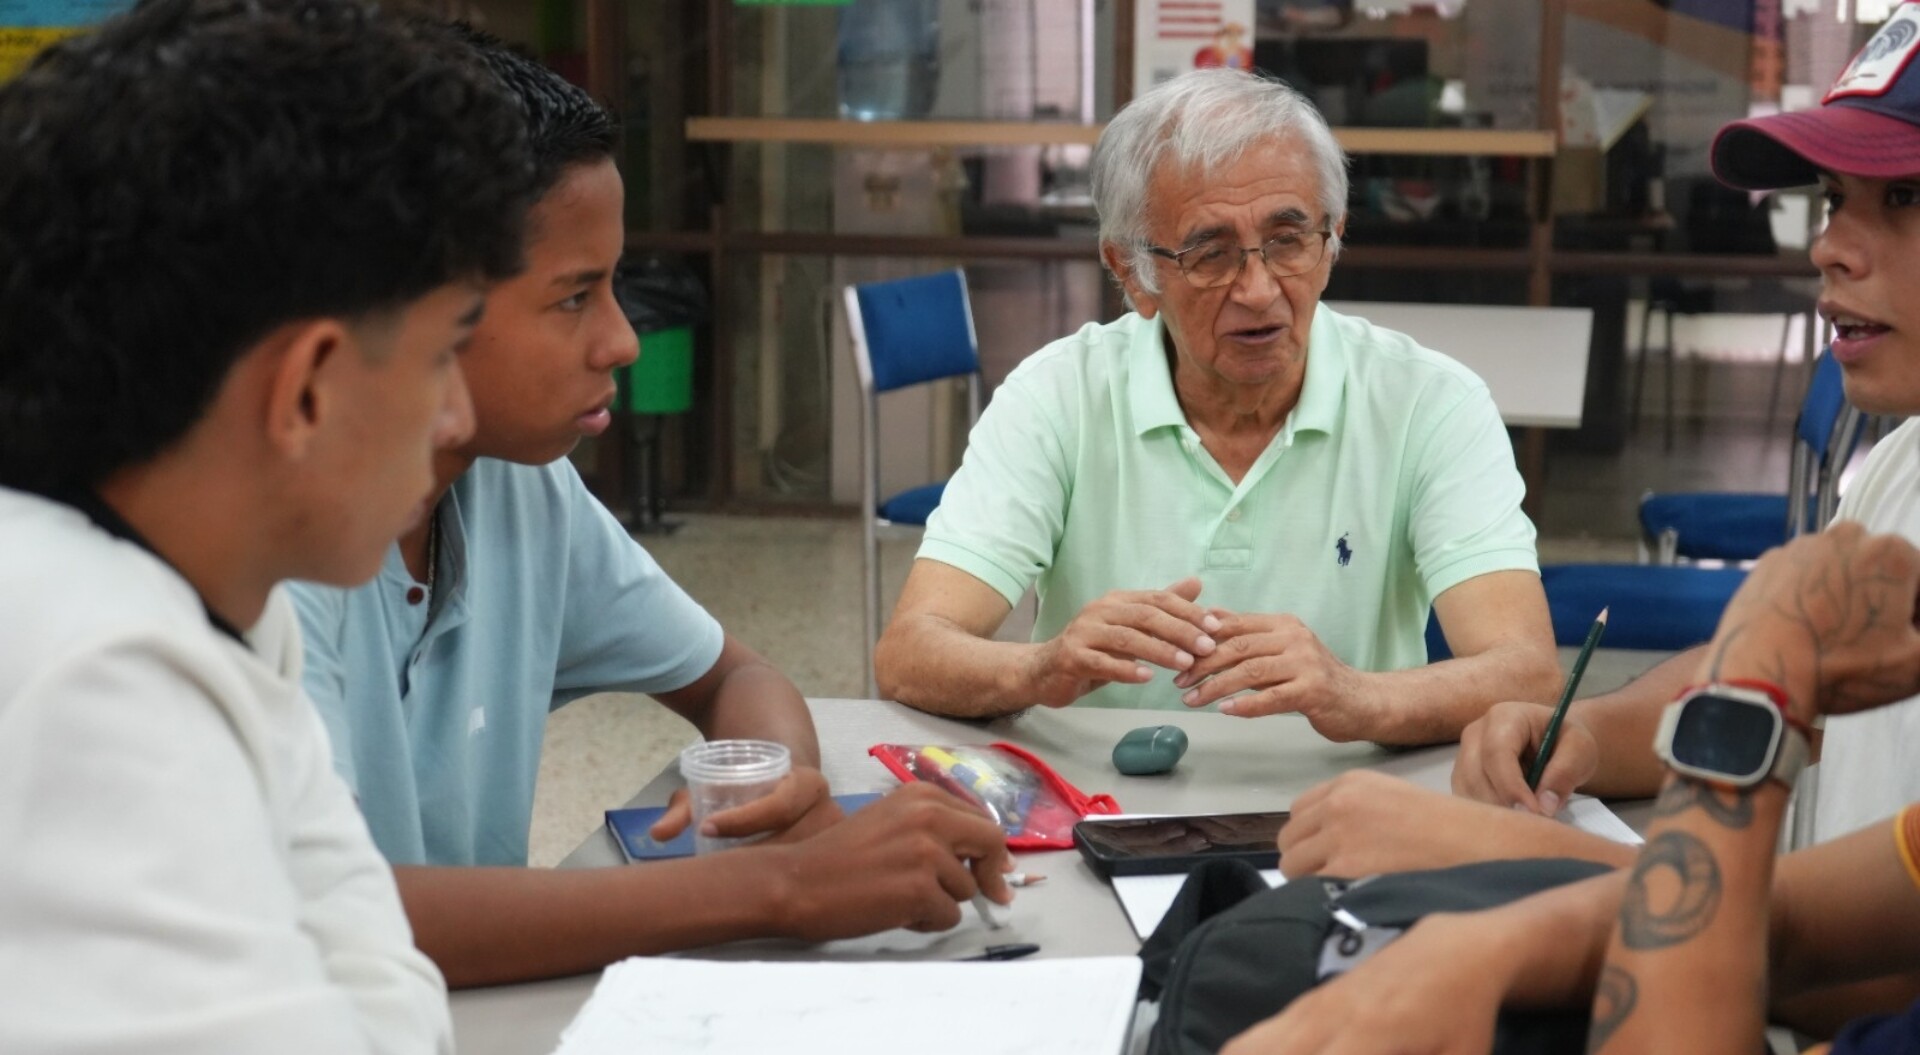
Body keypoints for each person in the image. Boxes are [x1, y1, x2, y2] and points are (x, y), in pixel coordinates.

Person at [288, 30, 1012, 990]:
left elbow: (731, 675)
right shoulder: (269, 553)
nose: (625, 340)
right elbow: (339, 918)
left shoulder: (520, 486)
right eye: (574, 296)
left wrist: (777, 790)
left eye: (614, 284)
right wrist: (782, 886)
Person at [0, 0, 539, 1049]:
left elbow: (380, 982)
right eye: (442, 358)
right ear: (304, 390)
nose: (458, 418)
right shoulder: (95, 671)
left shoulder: (222, 598)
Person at [1274, 15, 1920, 882]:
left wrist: (1519, 855)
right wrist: (1588, 732)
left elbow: (1848, 953)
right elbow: (1786, 681)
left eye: (1905, 198)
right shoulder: (1900, 464)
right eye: (1835, 198)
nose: (1828, 245)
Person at [875, 67, 1560, 741]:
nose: (1259, 289)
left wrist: (1356, 695)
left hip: (1354, 809)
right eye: (1211, 253)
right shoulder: (1057, 396)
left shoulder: (1429, 403)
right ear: (1131, 272)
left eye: (1288, 241)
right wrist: (1040, 667)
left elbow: (1527, 672)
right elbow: (910, 654)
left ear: (1332, 242)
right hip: (1101, 806)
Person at [1227, 524, 1920, 1054]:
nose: (1818, 324)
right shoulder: (1902, 460)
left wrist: (1516, 858)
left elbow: (1864, 985)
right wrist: (1504, 939)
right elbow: (1813, 928)